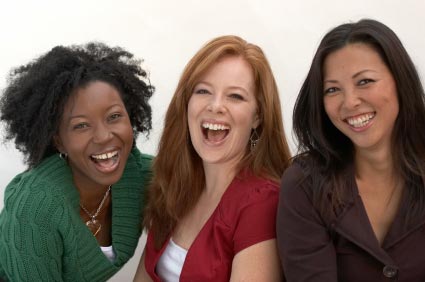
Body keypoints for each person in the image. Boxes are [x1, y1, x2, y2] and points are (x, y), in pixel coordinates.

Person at [277, 19, 425, 281]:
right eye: (332, 89)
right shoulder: (305, 185)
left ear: (400, 81)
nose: (350, 102)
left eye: (365, 81)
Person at [134, 35, 291, 281]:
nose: (216, 105)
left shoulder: (262, 202)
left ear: (257, 116)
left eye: (235, 96)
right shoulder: (175, 182)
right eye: (204, 91)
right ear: (186, 104)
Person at [0, 42, 154, 281]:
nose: (104, 136)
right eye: (81, 125)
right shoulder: (36, 208)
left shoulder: (141, 175)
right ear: (58, 141)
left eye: (114, 117)